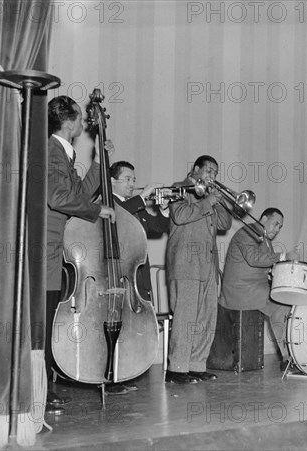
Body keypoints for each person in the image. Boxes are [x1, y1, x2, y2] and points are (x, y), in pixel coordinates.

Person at [46, 96, 115, 413]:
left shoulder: (62, 153)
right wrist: (96, 210)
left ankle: (46, 386)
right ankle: (42, 390)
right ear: (71, 121)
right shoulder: (53, 151)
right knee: (45, 321)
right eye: (80, 119)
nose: (83, 124)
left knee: (49, 319)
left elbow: (79, 195)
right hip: (46, 249)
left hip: (56, 249)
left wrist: (100, 162)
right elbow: (59, 197)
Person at [165, 155, 232, 384]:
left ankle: (196, 365)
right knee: (186, 318)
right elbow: (180, 215)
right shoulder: (179, 188)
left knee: (205, 318)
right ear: (195, 170)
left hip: (208, 265)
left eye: (215, 173)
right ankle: (176, 369)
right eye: (209, 171)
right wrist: (208, 202)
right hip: (186, 264)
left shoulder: (208, 196)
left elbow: (224, 224)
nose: (212, 176)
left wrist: (220, 201)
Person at [108, 161, 171, 394]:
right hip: (118, 276)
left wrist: (163, 210)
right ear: (113, 180)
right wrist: (143, 196)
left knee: (132, 328)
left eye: (134, 180)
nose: (133, 184)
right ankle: (111, 377)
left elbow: (155, 227)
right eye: (128, 179)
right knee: (117, 326)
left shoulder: (135, 206)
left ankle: (123, 374)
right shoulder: (111, 202)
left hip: (137, 276)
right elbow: (118, 217)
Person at [219, 208, 299, 370]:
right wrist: (283, 256)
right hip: (240, 289)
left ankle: (292, 355)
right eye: (275, 224)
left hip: (254, 286)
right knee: (281, 306)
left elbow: (263, 265)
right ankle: (287, 358)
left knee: (286, 301)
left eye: (280, 227)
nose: (277, 229)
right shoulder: (247, 232)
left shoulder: (264, 239)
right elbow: (254, 258)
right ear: (263, 219)